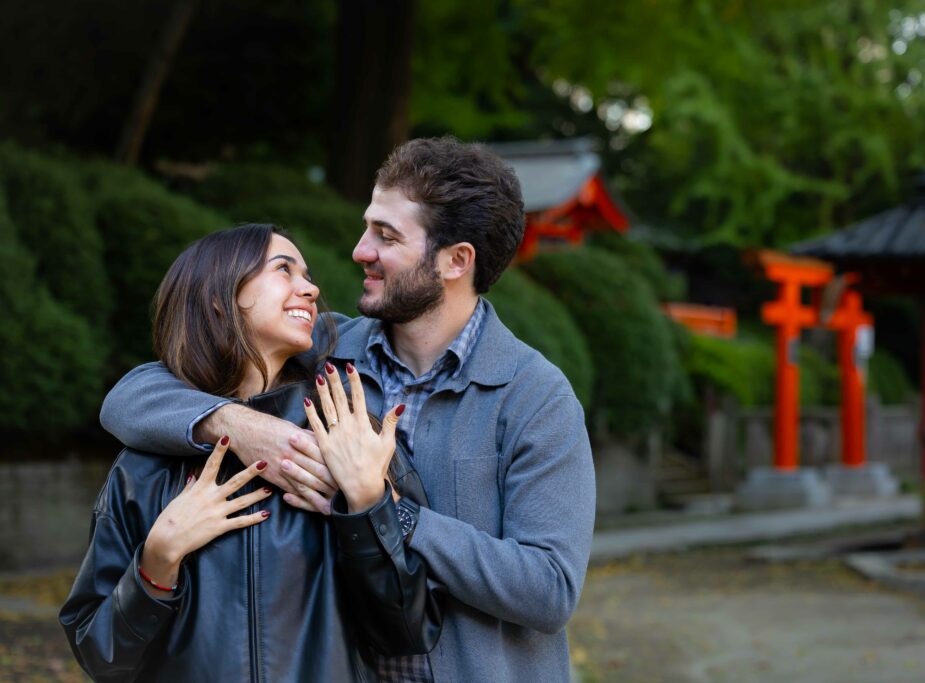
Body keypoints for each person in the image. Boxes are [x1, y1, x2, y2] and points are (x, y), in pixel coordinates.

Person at [101, 137, 596, 683]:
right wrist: (238, 424)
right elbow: (130, 397)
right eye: (367, 228)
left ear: (456, 260)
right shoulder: (322, 351)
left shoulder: (533, 396)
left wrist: (390, 512)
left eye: (386, 235)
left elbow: (549, 589)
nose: (360, 250)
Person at [61, 224, 442, 682]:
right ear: (219, 299)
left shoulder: (353, 438)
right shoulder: (146, 465)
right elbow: (101, 657)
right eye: (284, 270)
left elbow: (409, 633)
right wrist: (157, 562)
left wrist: (367, 505)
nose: (311, 289)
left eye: (307, 276)